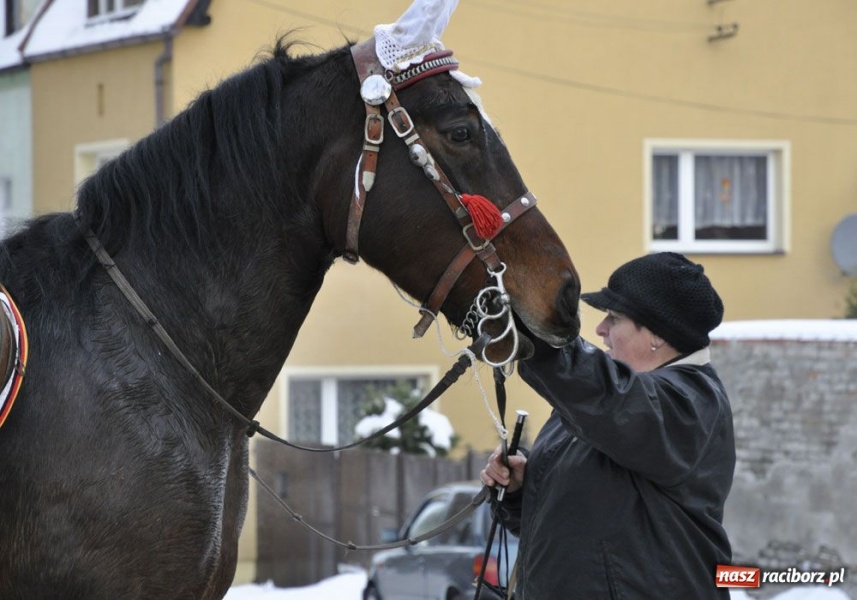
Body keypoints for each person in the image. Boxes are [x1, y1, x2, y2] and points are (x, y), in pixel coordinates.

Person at [481, 252, 735, 599]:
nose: (600, 330)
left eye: (614, 318)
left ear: (657, 334)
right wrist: (521, 490)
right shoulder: (608, 405)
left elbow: (602, 393)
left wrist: (524, 328)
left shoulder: (690, 405)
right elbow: (580, 530)